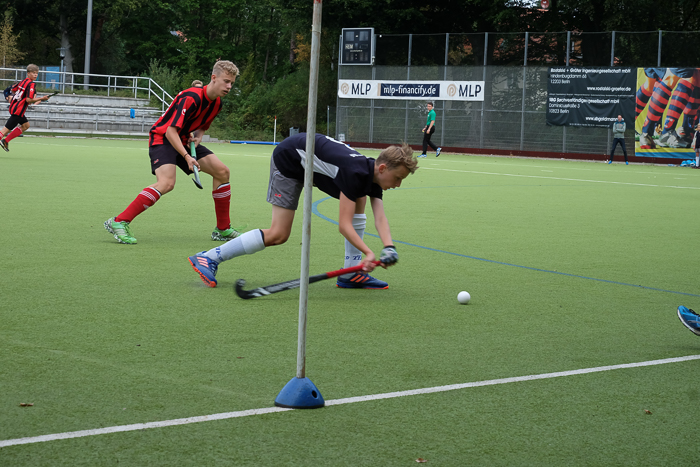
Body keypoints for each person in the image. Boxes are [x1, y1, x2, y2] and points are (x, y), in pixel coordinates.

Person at [188, 133, 418, 288]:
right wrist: (369, 253)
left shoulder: (370, 174)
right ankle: (208, 257)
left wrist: (389, 247)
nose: (398, 185)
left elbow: (380, 216)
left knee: (360, 199)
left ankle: (350, 273)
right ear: (382, 168)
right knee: (278, 234)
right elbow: (344, 225)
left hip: (309, 161)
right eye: (398, 178)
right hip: (289, 161)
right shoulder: (355, 173)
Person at [104, 60, 241, 245]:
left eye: (232, 83)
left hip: (183, 140)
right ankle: (119, 221)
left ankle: (222, 229)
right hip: (163, 138)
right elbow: (170, 131)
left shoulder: (217, 103)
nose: (229, 86)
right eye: (226, 81)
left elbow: (203, 126)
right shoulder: (191, 97)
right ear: (214, 78)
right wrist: (187, 157)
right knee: (167, 183)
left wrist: (198, 136)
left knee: (222, 172)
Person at [0, 64, 53, 152]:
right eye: (33, 73)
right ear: (28, 73)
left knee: (25, 125)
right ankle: (4, 140)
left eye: (36, 73)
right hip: (18, 111)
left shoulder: (22, 81)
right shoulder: (31, 84)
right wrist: (42, 98)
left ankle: (5, 141)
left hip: (14, 107)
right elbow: (29, 100)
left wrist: (19, 98)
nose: (35, 75)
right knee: (4, 131)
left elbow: (13, 89)